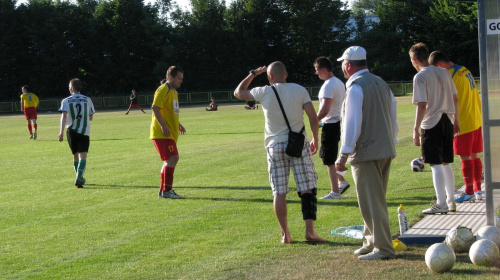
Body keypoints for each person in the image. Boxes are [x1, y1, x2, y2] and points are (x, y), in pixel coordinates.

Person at [234, 61, 325, 244]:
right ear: (287, 74)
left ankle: (286, 234)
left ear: (270, 76)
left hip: (274, 146)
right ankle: (310, 232)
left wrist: (253, 73)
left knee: (280, 192)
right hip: (298, 144)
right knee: (307, 187)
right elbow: (313, 118)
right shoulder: (299, 90)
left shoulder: (264, 91)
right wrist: (315, 138)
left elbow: (238, 92)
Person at [335, 46, 398, 260]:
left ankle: (383, 248)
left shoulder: (355, 87)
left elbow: (352, 124)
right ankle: (371, 241)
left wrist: (344, 153)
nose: (342, 67)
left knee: (372, 202)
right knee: (373, 200)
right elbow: (393, 115)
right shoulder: (381, 82)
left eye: (343, 63)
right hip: (384, 148)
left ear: (349, 64)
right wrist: (391, 140)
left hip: (366, 151)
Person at [409, 43, 460, 214]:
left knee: (435, 164)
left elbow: (422, 104)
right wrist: (457, 120)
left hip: (432, 121)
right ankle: (451, 200)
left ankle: (441, 203)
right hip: (448, 118)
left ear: (414, 59)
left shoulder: (420, 77)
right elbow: (455, 98)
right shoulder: (444, 72)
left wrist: (415, 128)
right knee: (445, 162)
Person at [429, 51, 483, 203]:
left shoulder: (451, 75)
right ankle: (478, 190)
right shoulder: (464, 70)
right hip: (476, 118)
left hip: (463, 120)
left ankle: (469, 191)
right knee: (474, 155)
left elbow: (452, 99)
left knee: (464, 156)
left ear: (440, 65)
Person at [313, 56, 350, 199]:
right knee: (332, 155)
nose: (317, 73)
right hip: (339, 122)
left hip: (331, 124)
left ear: (323, 69)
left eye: (317, 70)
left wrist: (314, 121)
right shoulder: (339, 82)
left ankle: (335, 192)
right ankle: (341, 181)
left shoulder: (328, 85)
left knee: (328, 158)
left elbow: (325, 109)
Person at [151, 66, 186, 199]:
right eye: (179, 78)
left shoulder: (174, 92)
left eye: (182, 79)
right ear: (170, 77)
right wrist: (163, 126)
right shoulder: (163, 89)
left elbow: (172, 111)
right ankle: (167, 190)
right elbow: (155, 107)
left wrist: (178, 124)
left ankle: (163, 191)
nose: (180, 81)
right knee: (173, 157)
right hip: (162, 133)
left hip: (170, 132)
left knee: (168, 160)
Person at [58, 78, 95, 188]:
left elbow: (63, 116)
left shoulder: (66, 101)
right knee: (83, 155)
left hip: (71, 131)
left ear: (72, 88)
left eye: (69, 86)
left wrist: (61, 132)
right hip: (84, 131)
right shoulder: (87, 99)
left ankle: (79, 177)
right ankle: (79, 177)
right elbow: (91, 117)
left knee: (75, 155)